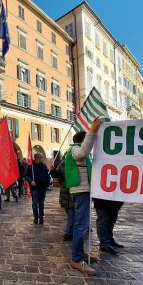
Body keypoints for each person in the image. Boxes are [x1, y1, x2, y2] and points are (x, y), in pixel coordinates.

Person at [65, 117, 102, 276]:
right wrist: (92, 132)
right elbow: (82, 153)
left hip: (84, 190)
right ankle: (76, 258)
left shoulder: (77, 149)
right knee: (80, 225)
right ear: (82, 140)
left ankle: (81, 253)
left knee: (82, 225)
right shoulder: (74, 148)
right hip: (80, 191)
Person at [50, 153, 75, 241]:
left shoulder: (73, 163)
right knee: (70, 214)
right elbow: (57, 174)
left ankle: (69, 233)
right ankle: (71, 231)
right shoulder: (64, 163)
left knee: (71, 215)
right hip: (65, 193)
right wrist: (52, 170)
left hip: (71, 193)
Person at [24, 153, 50, 224]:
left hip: (42, 188)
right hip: (34, 188)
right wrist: (30, 181)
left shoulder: (44, 166)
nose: (42, 158)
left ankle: (41, 218)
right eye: (41, 157)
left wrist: (47, 183)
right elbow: (25, 175)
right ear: (37, 158)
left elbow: (47, 176)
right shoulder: (30, 167)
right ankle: (36, 218)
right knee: (34, 204)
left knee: (41, 203)